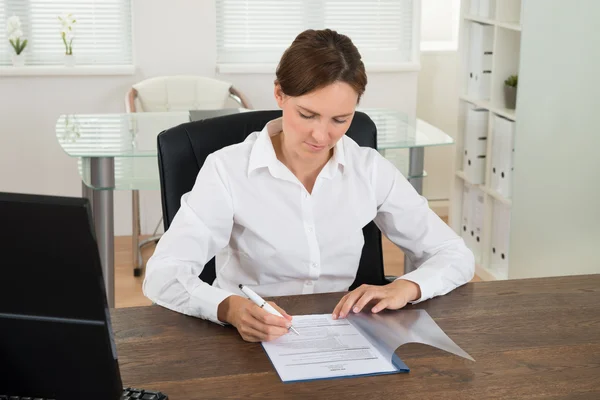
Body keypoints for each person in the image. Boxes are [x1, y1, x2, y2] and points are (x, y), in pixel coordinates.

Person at [143, 28, 474, 343]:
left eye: (340, 120)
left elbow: (454, 254)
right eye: (307, 114)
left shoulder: (369, 169)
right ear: (279, 94)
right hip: (247, 338)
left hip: (341, 333)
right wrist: (227, 307)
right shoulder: (227, 170)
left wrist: (405, 287)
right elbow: (163, 275)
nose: (321, 136)